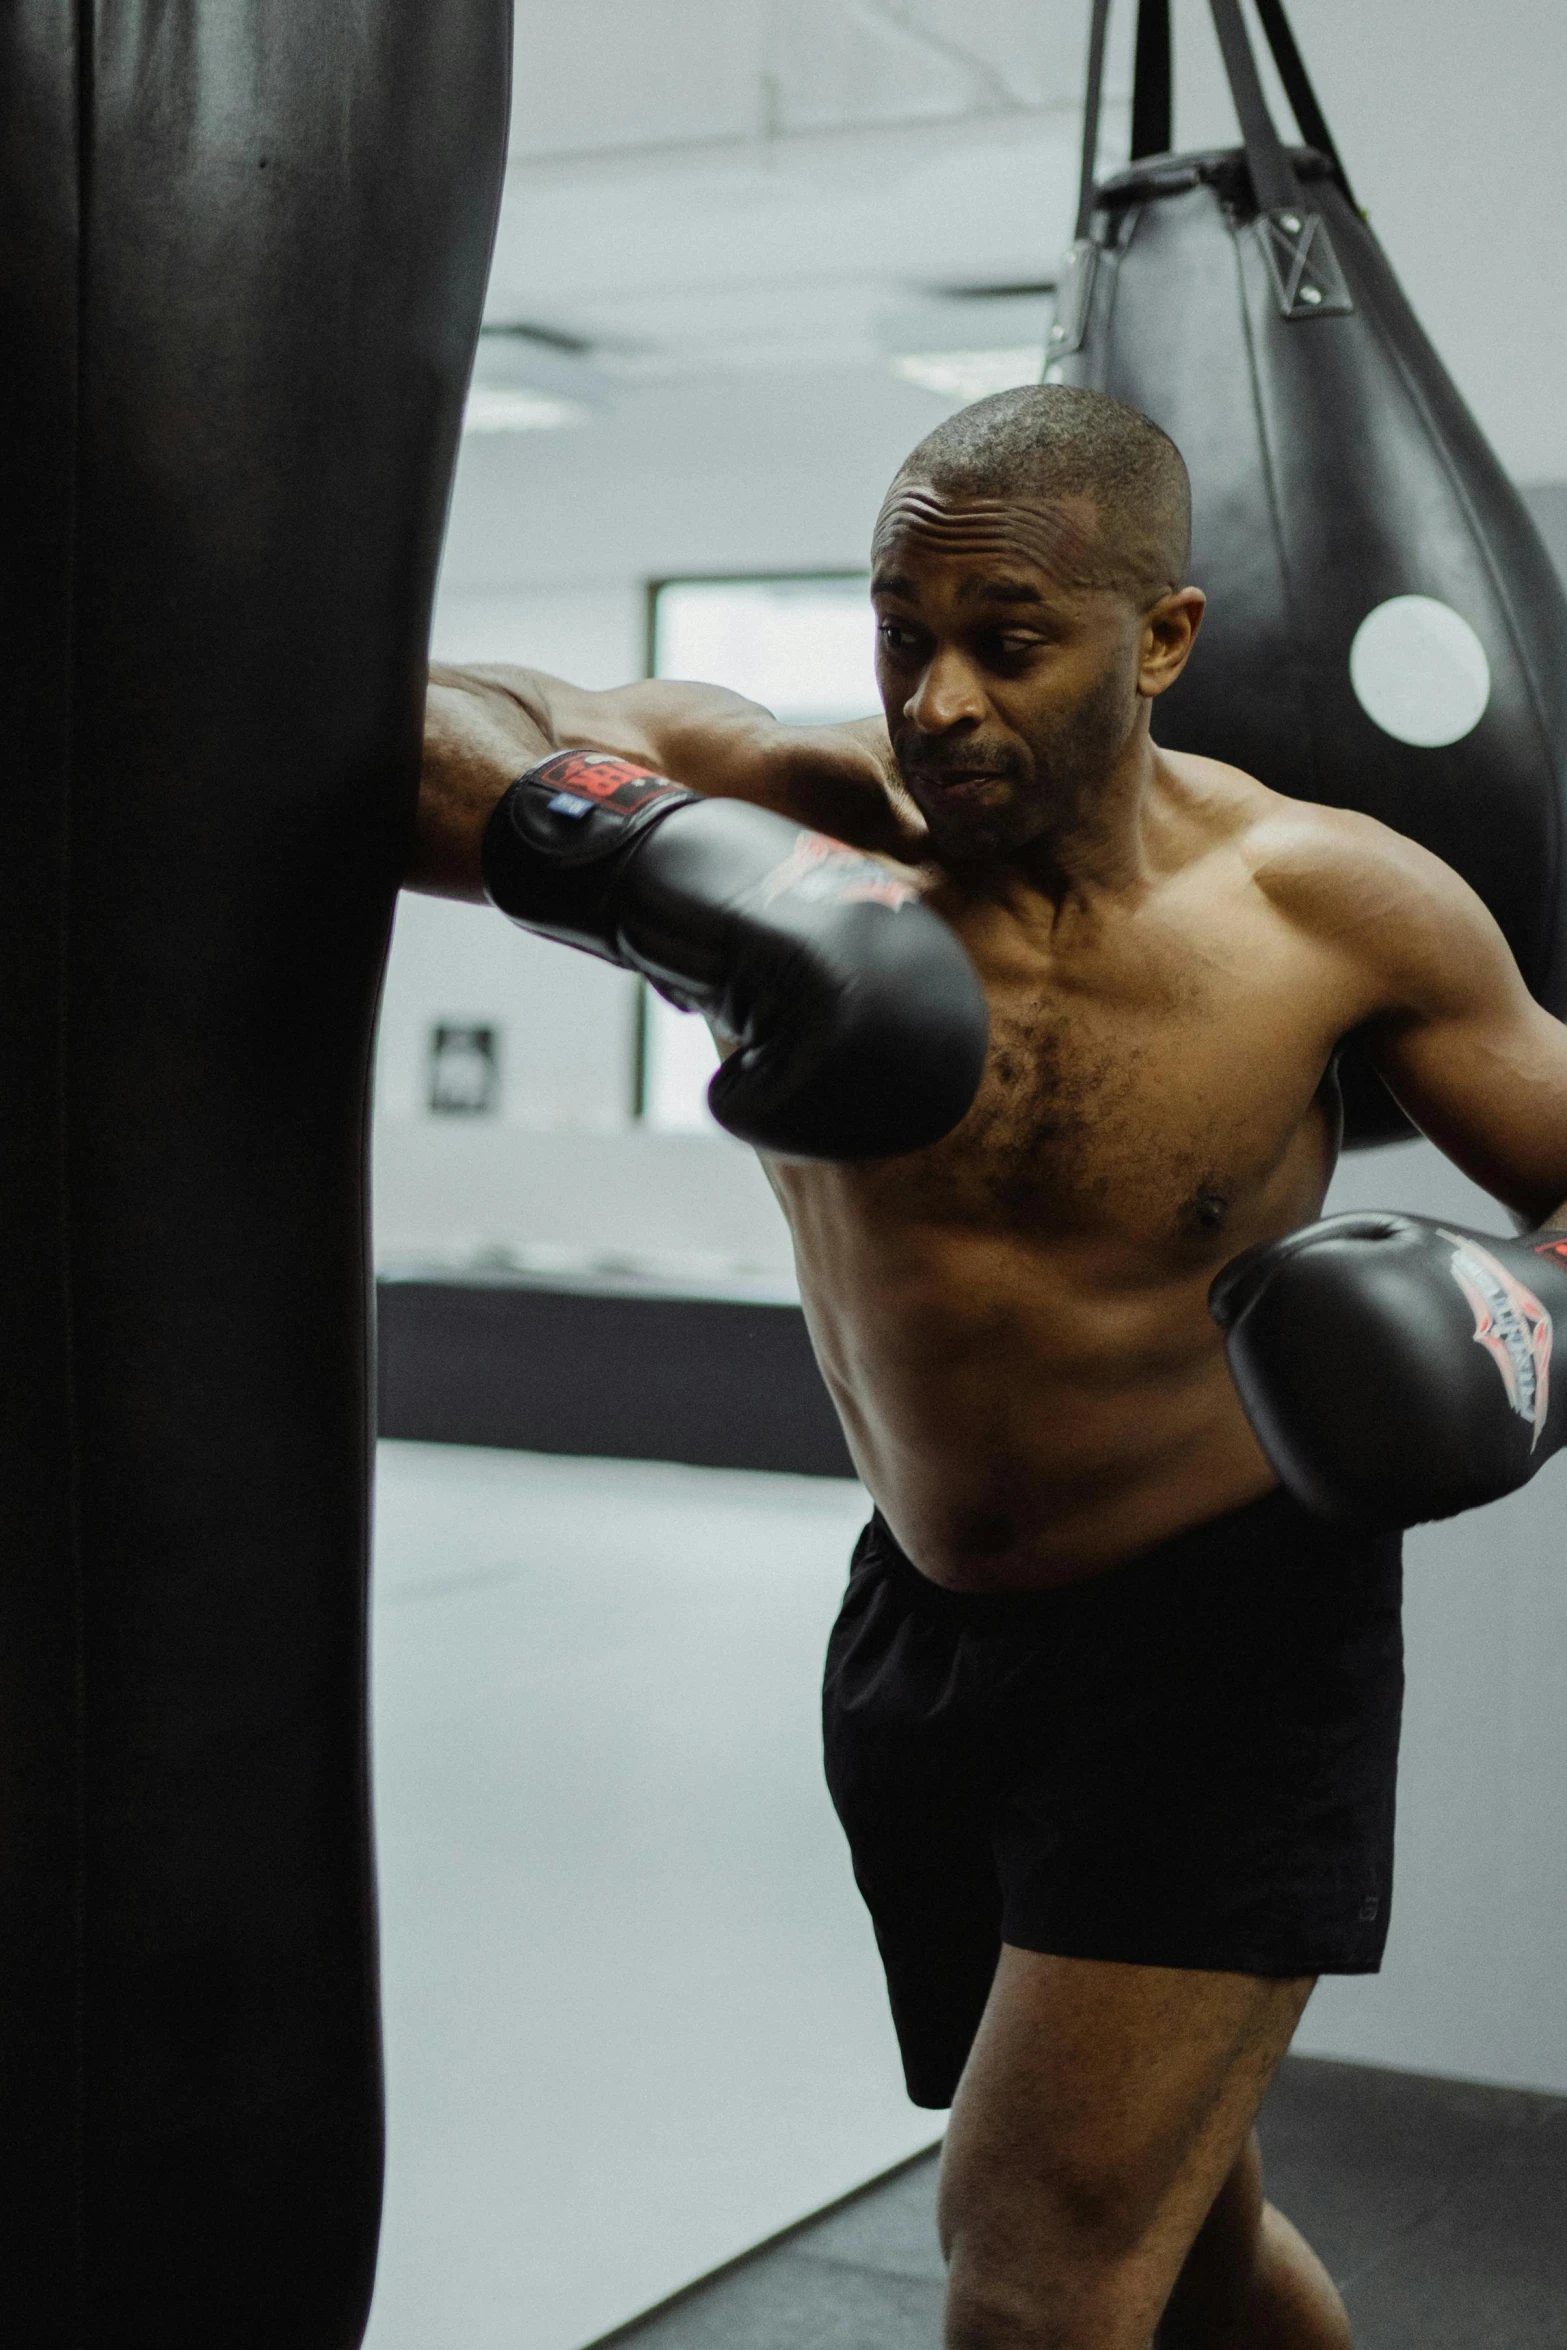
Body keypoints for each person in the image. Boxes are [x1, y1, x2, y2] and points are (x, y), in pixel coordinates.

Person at [411, 384, 1567, 2350]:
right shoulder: (780, 819)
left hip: (1224, 1650)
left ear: (1165, 639)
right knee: (1179, 2242)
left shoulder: (1327, 906)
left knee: (1036, 2272)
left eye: (1009, 640)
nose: (937, 698)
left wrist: (1513, 1326)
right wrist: (628, 859)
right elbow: (388, 715)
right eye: (900, 631)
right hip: (926, 1632)